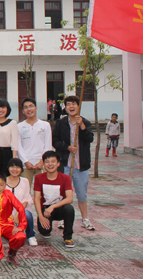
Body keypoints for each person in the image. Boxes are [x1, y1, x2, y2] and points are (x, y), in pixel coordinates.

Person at [52, 95, 95, 231]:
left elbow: (89, 138)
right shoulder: (60, 123)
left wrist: (81, 125)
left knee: (82, 193)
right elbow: (55, 141)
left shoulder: (85, 122)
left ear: (78, 106)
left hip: (81, 165)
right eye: (68, 104)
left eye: (74, 104)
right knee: (63, 193)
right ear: (65, 107)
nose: (71, 106)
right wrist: (67, 147)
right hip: (65, 164)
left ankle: (85, 219)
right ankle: (63, 218)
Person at [34, 150, 75, 248]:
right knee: (44, 231)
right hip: (46, 210)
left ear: (58, 164)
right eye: (47, 162)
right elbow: (36, 199)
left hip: (60, 208)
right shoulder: (39, 178)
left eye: (53, 161)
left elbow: (70, 199)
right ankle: (47, 229)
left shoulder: (65, 178)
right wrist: (41, 216)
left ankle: (68, 237)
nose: (50, 164)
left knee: (69, 209)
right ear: (44, 164)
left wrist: (53, 206)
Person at [17, 98, 53, 186]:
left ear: (36, 108)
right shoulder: (19, 126)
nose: (29, 109)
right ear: (23, 111)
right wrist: (25, 162)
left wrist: (42, 161)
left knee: (42, 190)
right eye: (26, 107)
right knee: (24, 190)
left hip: (42, 164)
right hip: (25, 165)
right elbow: (18, 146)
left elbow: (48, 145)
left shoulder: (45, 125)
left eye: (31, 106)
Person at [6, 158, 37, 246]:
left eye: (18, 167)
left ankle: (31, 235)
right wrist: (10, 215)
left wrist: (17, 214)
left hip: (22, 209)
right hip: (6, 212)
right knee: (14, 236)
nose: (15, 169)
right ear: (8, 168)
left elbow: (26, 199)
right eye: (12, 167)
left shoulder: (25, 181)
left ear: (21, 169)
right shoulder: (3, 181)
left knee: (27, 215)